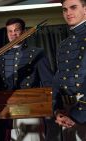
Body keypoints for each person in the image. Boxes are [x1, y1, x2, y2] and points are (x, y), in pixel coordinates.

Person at [0, 18, 55, 141]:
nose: (13, 34)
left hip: (31, 106)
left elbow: (48, 82)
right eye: (10, 31)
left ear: (24, 32)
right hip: (6, 109)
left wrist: (53, 106)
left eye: (16, 30)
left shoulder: (37, 52)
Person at [52, 0, 86, 140]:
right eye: (64, 9)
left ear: (85, 9)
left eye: (73, 7)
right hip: (68, 115)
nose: (68, 13)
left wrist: (76, 115)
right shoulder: (63, 45)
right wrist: (57, 110)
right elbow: (58, 79)